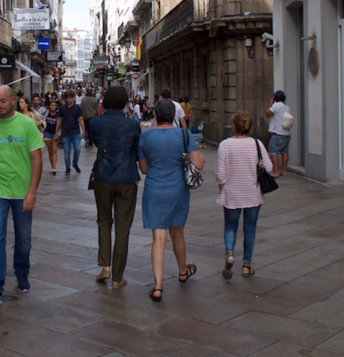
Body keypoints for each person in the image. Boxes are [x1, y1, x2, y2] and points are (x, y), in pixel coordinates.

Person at [0, 85, 44, 308]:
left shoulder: (27, 124)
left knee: (23, 238)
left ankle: (22, 271)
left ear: (13, 100)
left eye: (3, 101)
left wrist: (32, 191)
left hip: (22, 190)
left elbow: (37, 159)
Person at [138, 99, 205, 301]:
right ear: (174, 116)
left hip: (154, 189)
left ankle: (158, 286)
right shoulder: (184, 134)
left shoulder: (146, 136)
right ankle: (183, 271)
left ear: (155, 116)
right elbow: (199, 163)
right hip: (177, 189)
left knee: (158, 238)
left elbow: (144, 169)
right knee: (177, 235)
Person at [89, 86, 141, 289]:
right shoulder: (132, 125)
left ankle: (105, 267)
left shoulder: (95, 123)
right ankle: (118, 277)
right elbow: (136, 152)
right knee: (123, 228)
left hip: (102, 178)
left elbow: (96, 145)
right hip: (126, 179)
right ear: (124, 102)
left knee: (103, 220)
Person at [216, 111, 273, 278]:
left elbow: (220, 174)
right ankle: (247, 265)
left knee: (230, 226)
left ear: (234, 126)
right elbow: (269, 168)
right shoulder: (257, 144)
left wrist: (222, 185)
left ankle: (230, 255)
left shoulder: (225, 145)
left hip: (232, 193)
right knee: (250, 229)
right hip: (252, 193)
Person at [56, 91, 85, 175]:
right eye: (67, 98)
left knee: (77, 149)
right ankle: (67, 168)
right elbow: (59, 120)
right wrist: (56, 132)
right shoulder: (62, 108)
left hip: (75, 132)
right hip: (65, 132)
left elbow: (81, 119)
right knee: (67, 151)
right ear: (65, 99)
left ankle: (75, 163)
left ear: (73, 98)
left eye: (70, 97)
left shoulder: (77, 108)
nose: (69, 99)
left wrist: (83, 131)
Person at [266, 90, 291, 177]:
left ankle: (276, 171)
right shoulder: (287, 107)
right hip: (286, 133)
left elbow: (268, 113)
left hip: (278, 133)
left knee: (273, 151)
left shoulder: (276, 106)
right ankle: (284, 170)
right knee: (284, 152)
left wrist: (270, 103)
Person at [43, 100, 60, 174]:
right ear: (49, 106)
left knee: (54, 150)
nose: (53, 107)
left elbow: (60, 125)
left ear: (56, 106)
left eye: (54, 105)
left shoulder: (58, 114)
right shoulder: (46, 113)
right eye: (51, 105)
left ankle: (54, 168)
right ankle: (52, 165)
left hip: (55, 133)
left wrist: (58, 133)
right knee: (50, 150)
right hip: (47, 132)